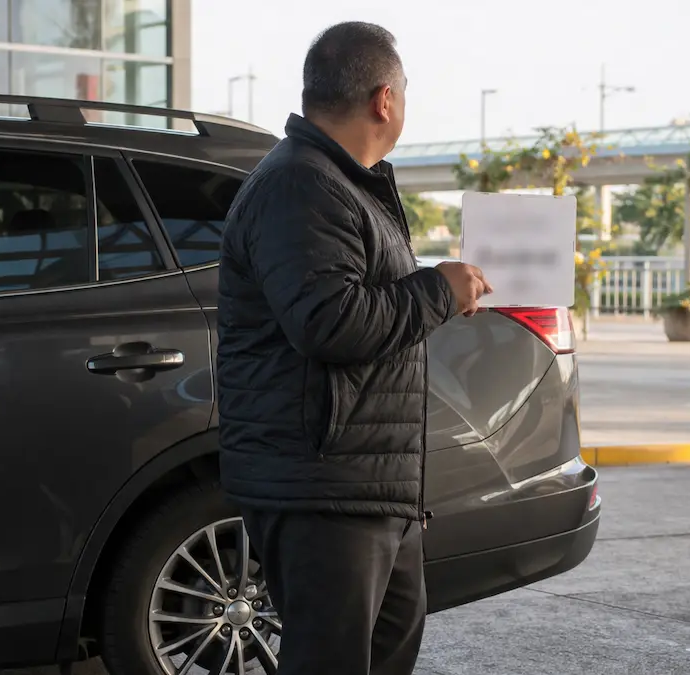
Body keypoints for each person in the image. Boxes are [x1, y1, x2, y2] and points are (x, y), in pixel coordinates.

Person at [216, 20, 492, 675]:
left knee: (382, 653)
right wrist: (437, 291)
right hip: (324, 485)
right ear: (383, 100)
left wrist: (440, 292)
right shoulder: (301, 185)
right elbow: (329, 321)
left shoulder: (339, 184)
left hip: (366, 484)